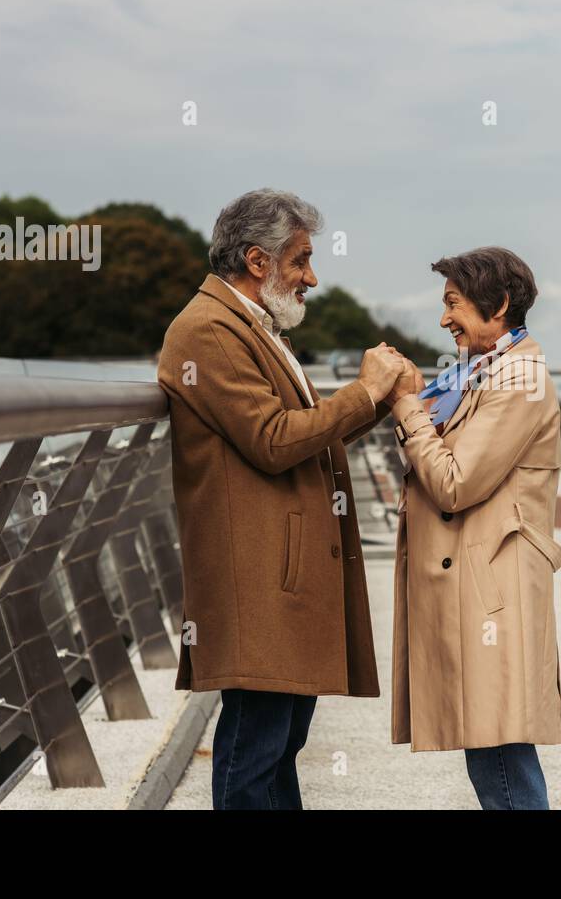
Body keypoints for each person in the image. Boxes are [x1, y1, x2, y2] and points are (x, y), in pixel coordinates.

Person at [156, 188, 399, 809]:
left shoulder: (249, 324)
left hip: (279, 571)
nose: (311, 278)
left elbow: (305, 429)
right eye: (301, 260)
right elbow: (271, 439)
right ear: (258, 261)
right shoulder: (208, 329)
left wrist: (378, 399)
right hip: (257, 576)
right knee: (256, 746)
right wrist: (364, 392)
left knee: (280, 742)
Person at [384, 246, 561, 810]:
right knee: (489, 746)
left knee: (499, 751)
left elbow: (454, 484)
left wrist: (406, 407)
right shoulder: (475, 373)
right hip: (479, 581)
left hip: (492, 590)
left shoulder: (520, 379)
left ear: (501, 304)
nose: (444, 319)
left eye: (453, 304)